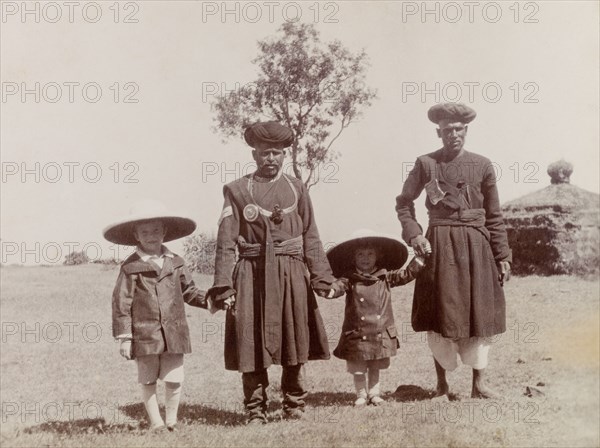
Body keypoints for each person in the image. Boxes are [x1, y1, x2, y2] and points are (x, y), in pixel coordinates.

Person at [208, 121, 345, 424]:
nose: (271, 159)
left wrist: (322, 278)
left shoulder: (298, 188)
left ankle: (294, 406)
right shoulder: (237, 190)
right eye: (265, 153)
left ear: (285, 155)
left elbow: (311, 235)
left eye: (277, 153)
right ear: (254, 154)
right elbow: (225, 242)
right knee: (251, 340)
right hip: (251, 275)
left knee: (294, 337)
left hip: (293, 274)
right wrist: (223, 287)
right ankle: (256, 410)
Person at [395, 103, 512, 399]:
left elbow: (494, 215)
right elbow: (404, 204)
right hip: (439, 245)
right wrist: (415, 235)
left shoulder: (483, 165)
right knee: (440, 312)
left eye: (459, 129)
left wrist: (503, 256)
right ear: (439, 132)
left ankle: (479, 385)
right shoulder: (426, 163)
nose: (453, 135)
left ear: (466, 130)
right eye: (447, 130)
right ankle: (442, 385)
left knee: (479, 311)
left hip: (476, 246)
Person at [104, 199, 209, 431]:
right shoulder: (130, 267)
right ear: (136, 235)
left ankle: (171, 420)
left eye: (156, 230)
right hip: (145, 333)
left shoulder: (176, 262)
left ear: (164, 232)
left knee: (174, 377)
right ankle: (156, 422)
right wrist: (125, 337)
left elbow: (189, 291)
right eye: (145, 232)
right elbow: (121, 302)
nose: (151, 236)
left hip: (174, 331)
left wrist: (209, 300)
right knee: (148, 378)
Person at [327, 230, 427, 406]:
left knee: (375, 363)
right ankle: (360, 394)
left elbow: (405, 275)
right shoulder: (350, 279)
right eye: (360, 254)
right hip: (357, 330)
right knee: (358, 367)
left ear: (378, 256)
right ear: (353, 258)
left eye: (370, 254)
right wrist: (331, 290)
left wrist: (420, 259)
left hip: (379, 330)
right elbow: (339, 286)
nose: (365, 258)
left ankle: (374, 394)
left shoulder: (385, 276)